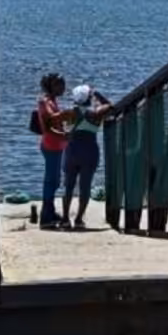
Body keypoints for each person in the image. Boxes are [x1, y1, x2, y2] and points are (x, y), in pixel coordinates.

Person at [61, 84, 112, 229]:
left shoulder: (70, 112)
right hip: (89, 152)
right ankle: (78, 219)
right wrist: (97, 94)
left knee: (68, 186)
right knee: (85, 187)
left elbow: (60, 125)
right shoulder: (96, 113)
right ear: (89, 98)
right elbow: (110, 105)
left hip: (72, 151)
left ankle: (65, 219)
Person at [37, 72, 70, 229]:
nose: (63, 87)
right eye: (59, 84)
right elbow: (50, 120)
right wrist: (67, 115)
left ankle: (50, 210)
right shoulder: (45, 102)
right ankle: (45, 216)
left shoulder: (52, 101)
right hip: (51, 145)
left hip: (56, 145)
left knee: (55, 180)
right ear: (51, 86)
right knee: (51, 181)